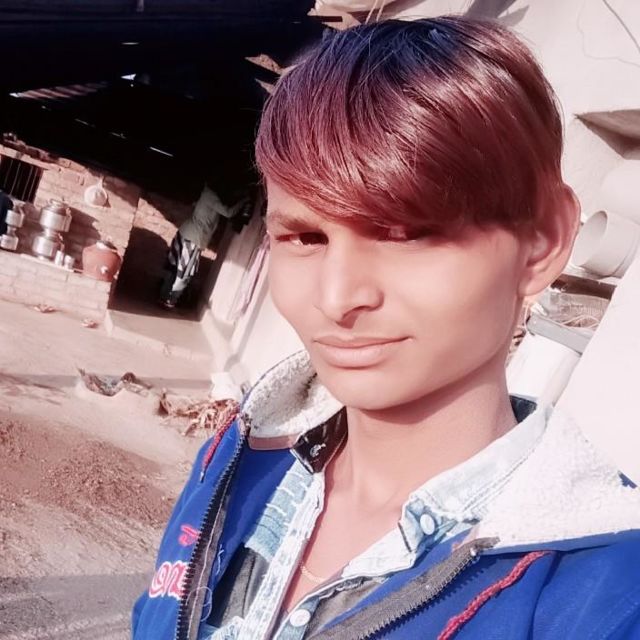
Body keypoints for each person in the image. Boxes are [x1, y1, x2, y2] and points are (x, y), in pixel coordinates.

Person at [133, 16, 640, 640]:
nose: (337, 298)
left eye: (405, 233)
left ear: (542, 241)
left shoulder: (607, 600)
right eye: (305, 237)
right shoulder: (235, 462)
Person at [159, 184, 236, 309]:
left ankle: (164, 295)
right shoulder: (212, 197)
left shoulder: (205, 194)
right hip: (194, 238)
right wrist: (243, 202)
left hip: (185, 232)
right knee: (184, 272)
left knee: (174, 266)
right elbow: (228, 212)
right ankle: (171, 299)